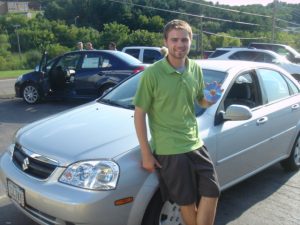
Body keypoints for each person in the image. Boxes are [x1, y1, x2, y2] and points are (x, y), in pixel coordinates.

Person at [133, 19, 220, 225]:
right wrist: (146, 153)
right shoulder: (152, 73)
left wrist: (210, 99)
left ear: (191, 41)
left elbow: (200, 101)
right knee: (186, 201)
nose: (179, 44)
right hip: (169, 148)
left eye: (184, 39)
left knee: (212, 190)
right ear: (166, 41)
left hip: (195, 142)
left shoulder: (195, 69)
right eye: (174, 40)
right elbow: (139, 114)